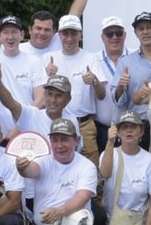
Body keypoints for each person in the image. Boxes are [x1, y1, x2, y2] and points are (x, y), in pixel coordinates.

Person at [12, 118, 98, 225]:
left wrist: (60, 211)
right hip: (44, 224)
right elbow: (31, 170)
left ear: (76, 140)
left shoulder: (87, 166)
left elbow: (82, 197)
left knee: (78, 217)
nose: (59, 145)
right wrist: (22, 167)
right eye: (55, 140)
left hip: (68, 218)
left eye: (64, 139)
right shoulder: (42, 161)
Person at [43, 14, 107, 164]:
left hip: (84, 124)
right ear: (59, 34)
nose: (69, 38)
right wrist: (47, 75)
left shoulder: (90, 58)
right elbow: (41, 94)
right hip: (56, 123)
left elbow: (102, 95)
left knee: (91, 165)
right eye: (66, 33)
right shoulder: (48, 58)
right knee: (56, 163)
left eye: (74, 33)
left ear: (80, 34)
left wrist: (94, 81)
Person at [0, 15, 46, 138]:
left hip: (27, 131)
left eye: (14, 32)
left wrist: (20, 125)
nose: (10, 37)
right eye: (5, 33)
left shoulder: (34, 61)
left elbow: (40, 100)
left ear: (22, 35)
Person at [92, 16, 128, 152]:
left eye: (118, 33)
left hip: (130, 129)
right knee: (104, 170)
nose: (114, 37)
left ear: (124, 35)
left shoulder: (135, 57)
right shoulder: (92, 60)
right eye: (109, 34)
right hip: (102, 129)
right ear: (102, 37)